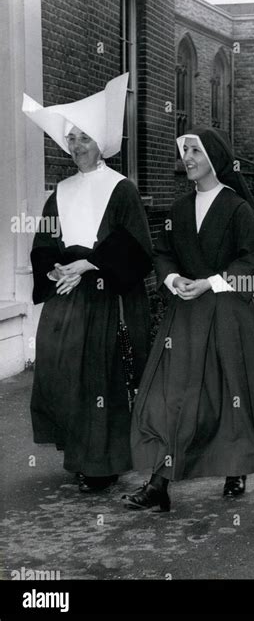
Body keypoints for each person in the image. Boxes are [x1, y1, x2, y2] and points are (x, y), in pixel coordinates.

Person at [122, 126, 254, 510]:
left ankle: (236, 466)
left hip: (226, 312)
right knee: (169, 396)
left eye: (195, 151)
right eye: (184, 151)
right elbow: (163, 251)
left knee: (229, 396)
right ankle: (158, 484)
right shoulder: (178, 209)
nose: (186, 158)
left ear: (215, 159)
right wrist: (173, 279)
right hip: (186, 315)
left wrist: (210, 283)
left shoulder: (236, 207)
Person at [23, 73, 153, 493]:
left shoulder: (122, 189)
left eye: (85, 138)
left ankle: (101, 463)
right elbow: (43, 241)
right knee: (62, 371)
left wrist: (90, 264)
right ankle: (79, 451)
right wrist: (53, 269)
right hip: (67, 300)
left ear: (101, 143)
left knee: (100, 377)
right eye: (71, 139)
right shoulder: (58, 191)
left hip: (104, 298)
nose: (77, 146)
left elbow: (136, 249)